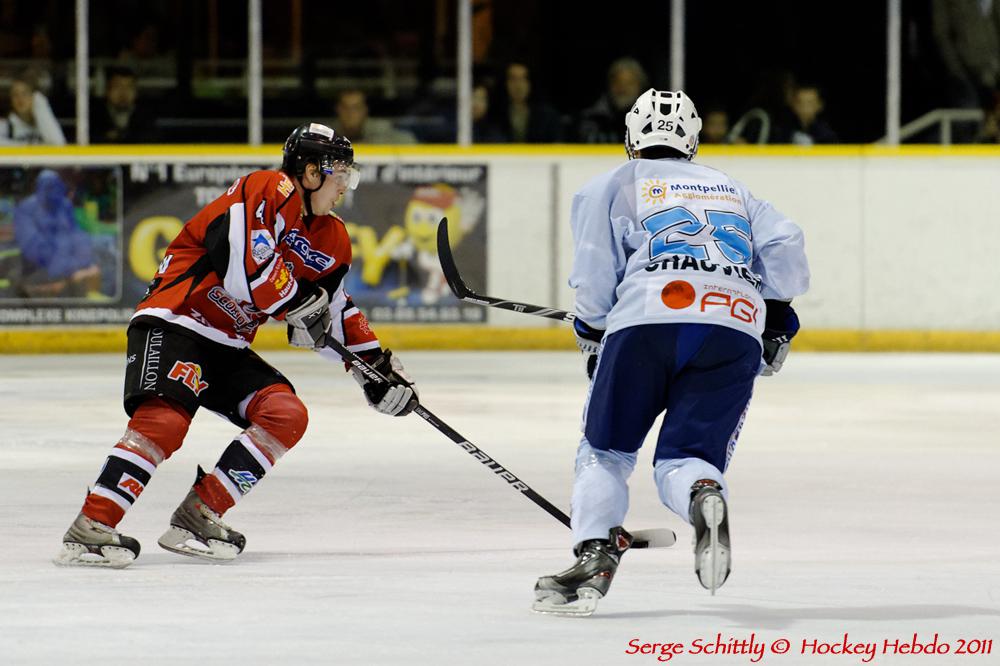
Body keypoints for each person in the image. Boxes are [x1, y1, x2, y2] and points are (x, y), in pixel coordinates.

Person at [54, 123, 419, 568]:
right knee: (166, 422)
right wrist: (298, 302)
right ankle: (92, 524)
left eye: (348, 174)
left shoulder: (333, 237)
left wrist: (376, 368)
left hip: (226, 345)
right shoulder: (265, 188)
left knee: (285, 414)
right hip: (176, 321)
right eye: (338, 172)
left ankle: (199, 512)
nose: (344, 185)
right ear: (308, 172)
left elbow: (336, 312)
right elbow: (243, 270)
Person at [533, 89, 809, 615]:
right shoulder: (733, 188)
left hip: (647, 321)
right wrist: (776, 318)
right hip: (733, 326)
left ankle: (594, 554)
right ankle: (704, 491)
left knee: (605, 452)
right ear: (694, 139)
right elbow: (787, 245)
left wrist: (593, 333)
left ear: (632, 137)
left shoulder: (612, 184)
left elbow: (594, 279)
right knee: (688, 458)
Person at [13, 169, 102, 298]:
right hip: (38, 272)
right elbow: (35, 251)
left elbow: (78, 236)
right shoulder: (26, 209)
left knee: (104, 249)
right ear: (38, 188)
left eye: (56, 186)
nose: (52, 191)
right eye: (47, 187)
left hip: (68, 265)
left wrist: (85, 260)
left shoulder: (63, 205)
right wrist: (72, 268)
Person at [578, 57, 647, 143]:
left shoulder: (650, 119)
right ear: (609, 85)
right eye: (618, 82)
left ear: (640, 86)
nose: (623, 89)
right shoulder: (593, 118)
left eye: (629, 83)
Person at [496, 62, 563, 143]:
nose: (518, 85)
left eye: (523, 79)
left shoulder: (548, 115)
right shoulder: (496, 113)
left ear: (530, 83)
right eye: (513, 79)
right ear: (506, 83)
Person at [91, 66, 159, 143]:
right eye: (117, 87)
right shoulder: (94, 114)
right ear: (107, 90)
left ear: (136, 92)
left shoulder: (146, 114)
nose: (123, 93)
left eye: (129, 87)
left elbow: (152, 139)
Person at [0, 69, 66, 145]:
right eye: (15, 94)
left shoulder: (44, 124)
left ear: (34, 96)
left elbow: (58, 143)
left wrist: (40, 104)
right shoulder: (5, 126)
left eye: (25, 93)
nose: (20, 98)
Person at [333, 88, 417, 144]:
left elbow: (409, 141)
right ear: (338, 109)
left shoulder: (381, 131)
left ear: (365, 110)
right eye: (345, 108)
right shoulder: (327, 135)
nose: (350, 113)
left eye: (356, 108)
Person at [770, 83, 838, 145]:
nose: (804, 107)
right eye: (799, 102)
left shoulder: (826, 134)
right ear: (792, 104)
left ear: (819, 105)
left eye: (809, 103)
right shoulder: (782, 129)